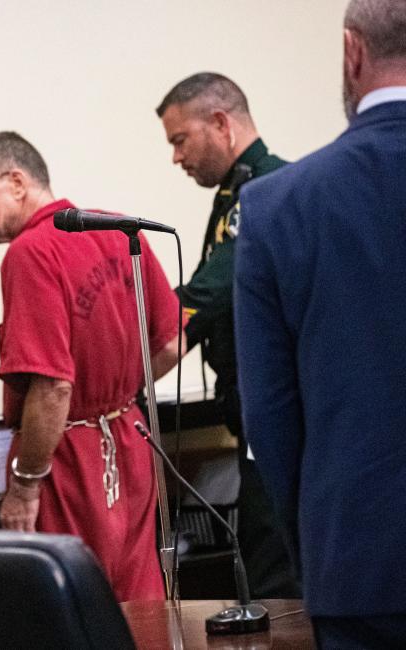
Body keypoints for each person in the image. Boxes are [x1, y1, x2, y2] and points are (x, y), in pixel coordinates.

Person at [235, 0, 406, 645]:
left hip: (360, 561)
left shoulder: (278, 205)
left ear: (352, 52)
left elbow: (271, 416)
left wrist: (316, 551)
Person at [0, 131, 182, 602]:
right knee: (142, 603)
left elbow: (54, 388)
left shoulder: (31, 251)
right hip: (131, 440)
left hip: (68, 457)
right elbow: (172, 344)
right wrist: (112, 397)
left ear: (17, 181)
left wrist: (24, 487)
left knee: (74, 605)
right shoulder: (118, 229)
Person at [156, 73, 301, 599]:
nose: (176, 157)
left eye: (180, 140)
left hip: (280, 402)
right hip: (250, 403)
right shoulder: (235, 193)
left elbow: (207, 297)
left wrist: (135, 342)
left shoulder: (266, 188)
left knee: (272, 551)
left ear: (220, 123)